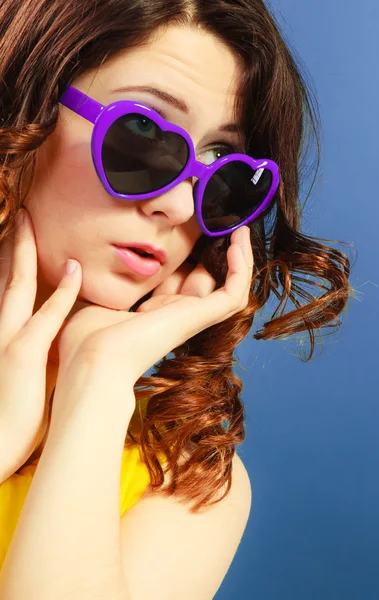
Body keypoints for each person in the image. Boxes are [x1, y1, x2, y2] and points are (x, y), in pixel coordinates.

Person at [0, 0, 352, 598]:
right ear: (23, 107)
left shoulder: (187, 485)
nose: (182, 206)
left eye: (221, 169)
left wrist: (98, 382)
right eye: (144, 133)